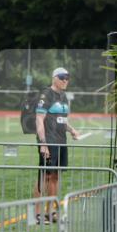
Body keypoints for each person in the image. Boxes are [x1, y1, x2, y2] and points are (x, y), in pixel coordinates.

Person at [33, 67, 80, 223]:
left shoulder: (64, 96)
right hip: (49, 142)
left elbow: (62, 120)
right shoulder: (46, 94)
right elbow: (39, 119)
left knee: (55, 177)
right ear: (54, 78)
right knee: (44, 177)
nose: (65, 80)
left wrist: (72, 130)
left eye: (67, 77)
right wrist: (43, 144)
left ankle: (51, 212)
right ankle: (37, 214)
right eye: (62, 77)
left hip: (61, 142)